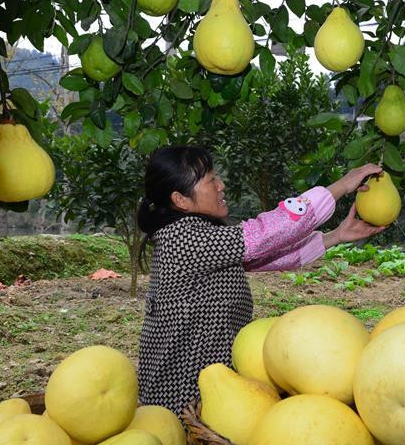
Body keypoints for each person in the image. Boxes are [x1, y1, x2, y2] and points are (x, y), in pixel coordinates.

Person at [137, 145, 387, 414]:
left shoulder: (195, 233)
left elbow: (263, 255)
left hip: (206, 382)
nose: (221, 185)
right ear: (181, 200)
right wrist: (342, 185)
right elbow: (265, 234)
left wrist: (335, 236)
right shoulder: (182, 239)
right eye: (210, 179)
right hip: (183, 397)